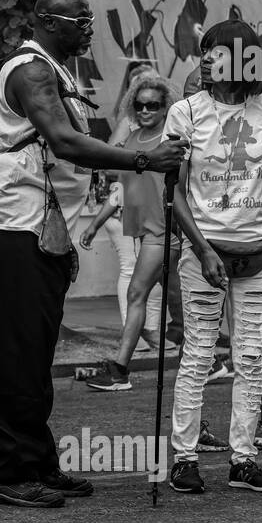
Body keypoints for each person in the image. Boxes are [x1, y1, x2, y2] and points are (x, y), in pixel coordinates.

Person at [0, 0, 186, 509]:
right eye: (80, 20)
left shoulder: (53, 70)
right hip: (14, 229)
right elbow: (65, 142)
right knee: (18, 352)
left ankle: (38, 462)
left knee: (36, 350)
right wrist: (143, 160)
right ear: (49, 21)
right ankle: (8, 472)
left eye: (91, 20)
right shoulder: (32, 71)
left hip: (42, 231)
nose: (89, 29)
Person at [163, 20, 262, 496]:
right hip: (205, 255)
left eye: (215, 52)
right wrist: (200, 249)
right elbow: (174, 192)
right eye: (203, 52)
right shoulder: (185, 113)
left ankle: (244, 459)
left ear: (242, 60)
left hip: (258, 253)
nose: (204, 59)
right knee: (198, 356)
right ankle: (184, 459)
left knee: (251, 358)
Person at [85, 71, 177, 391]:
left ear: (167, 107)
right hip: (143, 231)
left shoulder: (172, 139)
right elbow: (115, 175)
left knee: (137, 293)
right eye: (139, 105)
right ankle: (213, 362)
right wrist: (96, 222)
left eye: (153, 105)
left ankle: (120, 369)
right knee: (183, 300)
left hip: (166, 231)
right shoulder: (135, 140)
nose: (146, 110)